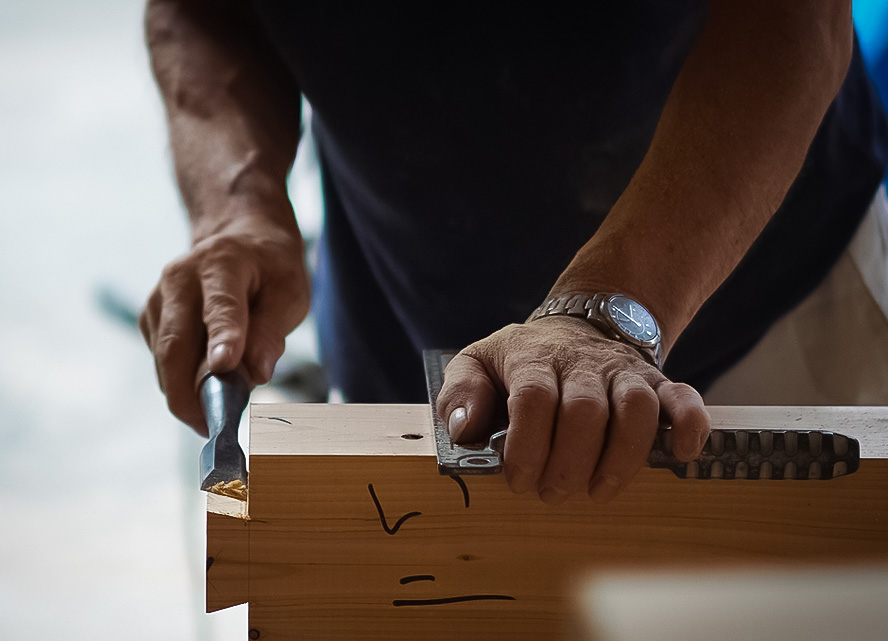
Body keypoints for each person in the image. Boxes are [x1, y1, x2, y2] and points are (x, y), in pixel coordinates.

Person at [138, 0, 888, 504]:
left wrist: (610, 310)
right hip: (404, 309)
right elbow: (203, 10)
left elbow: (792, 18)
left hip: (772, 289)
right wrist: (238, 208)